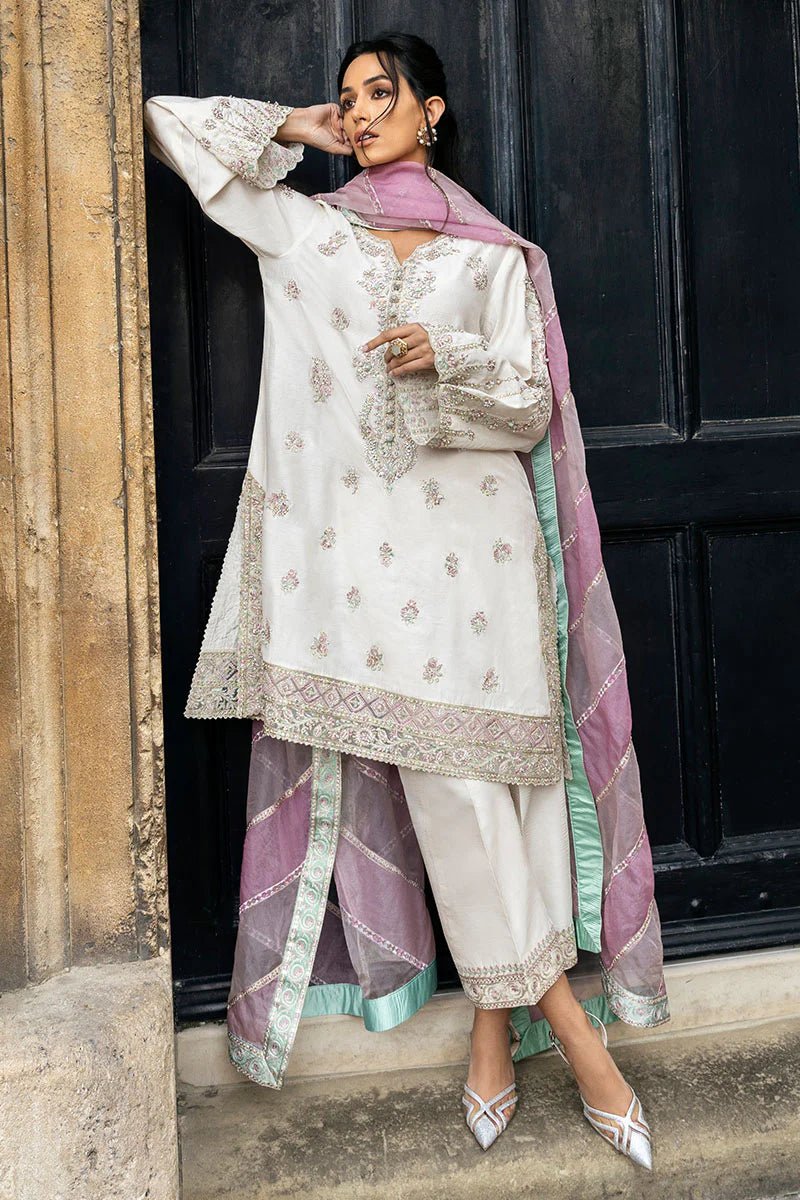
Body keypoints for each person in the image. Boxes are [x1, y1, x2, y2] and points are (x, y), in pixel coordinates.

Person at [144, 30, 668, 1165]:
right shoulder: (306, 233)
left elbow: (529, 408)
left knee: (510, 802)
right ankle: (577, 1041)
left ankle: (491, 1037)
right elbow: (168, 124)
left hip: (482, 575)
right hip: (367, 590)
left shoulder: (493, 261)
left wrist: (448, 356)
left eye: (379, 94)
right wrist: (294, 127)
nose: (361, 111)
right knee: (454, 799)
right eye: (347, 97)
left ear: (430, 109)